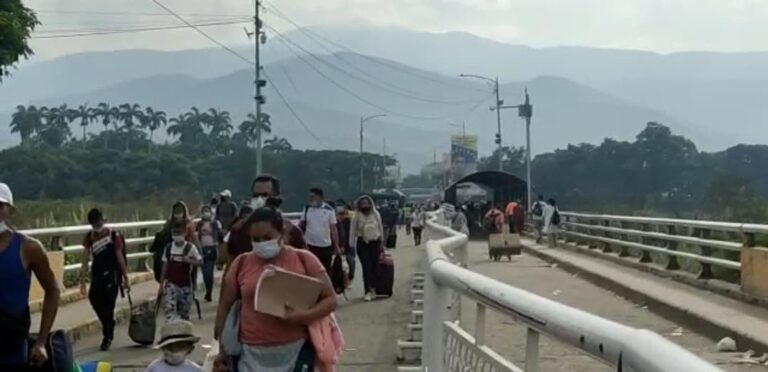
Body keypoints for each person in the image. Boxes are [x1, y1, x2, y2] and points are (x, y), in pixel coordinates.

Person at [213, 207, 337, 372]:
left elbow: (330, 299)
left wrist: (304, 316)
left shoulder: (304, 259)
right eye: (256, 239)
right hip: (249, 355)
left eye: (267, 237)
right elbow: (225, 307)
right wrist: (221, 351)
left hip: (296, 350)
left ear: (281, 233)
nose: (262, 243)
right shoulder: (241, 263)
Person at [0, 183, 60, 371]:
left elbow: (52, 290)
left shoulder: (28, 248)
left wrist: (41, 341)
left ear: (11, 211)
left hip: (12, 348)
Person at [79, 208, 130, 351]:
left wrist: (125, 277)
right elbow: (84, 258)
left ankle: (108, 335)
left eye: (98, 221)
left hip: (112, 274)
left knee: (109, 304)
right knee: (94, 298)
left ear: (102, 219)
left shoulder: (113, 235)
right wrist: (82, 280)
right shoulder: (90, 237)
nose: (97, 224)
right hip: (97, 274)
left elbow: (119, 256)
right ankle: (108, 324)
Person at [158, 222, 202, 322]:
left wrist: (189, 260)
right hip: (171, 284)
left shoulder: (190, 248)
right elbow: (165, 265)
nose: (177, 235)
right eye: (175, 233)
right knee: (169, 310)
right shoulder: (169, 248)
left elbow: (200, 261)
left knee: (184, 312)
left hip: (185, 284)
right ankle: (170, 330)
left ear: (185, 233)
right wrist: (161, 285)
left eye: (179, 233)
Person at [349, 195, 384, 301]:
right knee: (366, 266)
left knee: (375, 266)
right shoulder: (356, 216)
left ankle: (373, 288)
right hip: (362, 244)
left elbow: (380, 227)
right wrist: (351, 245)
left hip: (375, 242)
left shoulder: (376, 214)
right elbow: (352, 230)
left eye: (366, 203)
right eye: (362, 204)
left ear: (370, 204)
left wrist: (382, 242)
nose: (365, 205)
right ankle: (367, 291)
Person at [301, 187, 340, 273]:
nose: (311, 199)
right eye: (310, 197)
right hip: (310, 245)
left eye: (313, 197)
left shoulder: (329, 210)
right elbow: (301, 224)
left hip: (325, 245)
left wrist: (337, 246)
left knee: (325, 269)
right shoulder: (307, 208)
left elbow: (333, 229)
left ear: (320, 197)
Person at [197, 206, 223, 302]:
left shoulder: (215, 223)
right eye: (204, 211)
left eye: (207, 211)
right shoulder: (199, 224)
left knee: (209, 272)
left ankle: (209, 292)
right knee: (204, 273)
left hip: (212, 248)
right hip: (202, 248)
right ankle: (207, 290)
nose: (206, 213)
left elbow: (219, 236)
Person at [335, 201, 355, 285]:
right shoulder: (334, 221)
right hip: (339, 244)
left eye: (342, 213)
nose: (341, 215)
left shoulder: (350, 219)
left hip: (349, 243)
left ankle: (350, 277)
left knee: (350, 261)